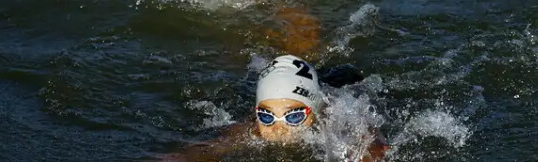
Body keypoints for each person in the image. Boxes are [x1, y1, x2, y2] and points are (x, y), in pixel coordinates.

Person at [158, 54, 389, 161]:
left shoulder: (340, 117)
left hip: (344, 79)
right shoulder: (255, 127)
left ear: (313, 110)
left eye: (294, 116)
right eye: (267, 116)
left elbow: (372, 144)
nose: (280, 128)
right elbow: (205, 149)